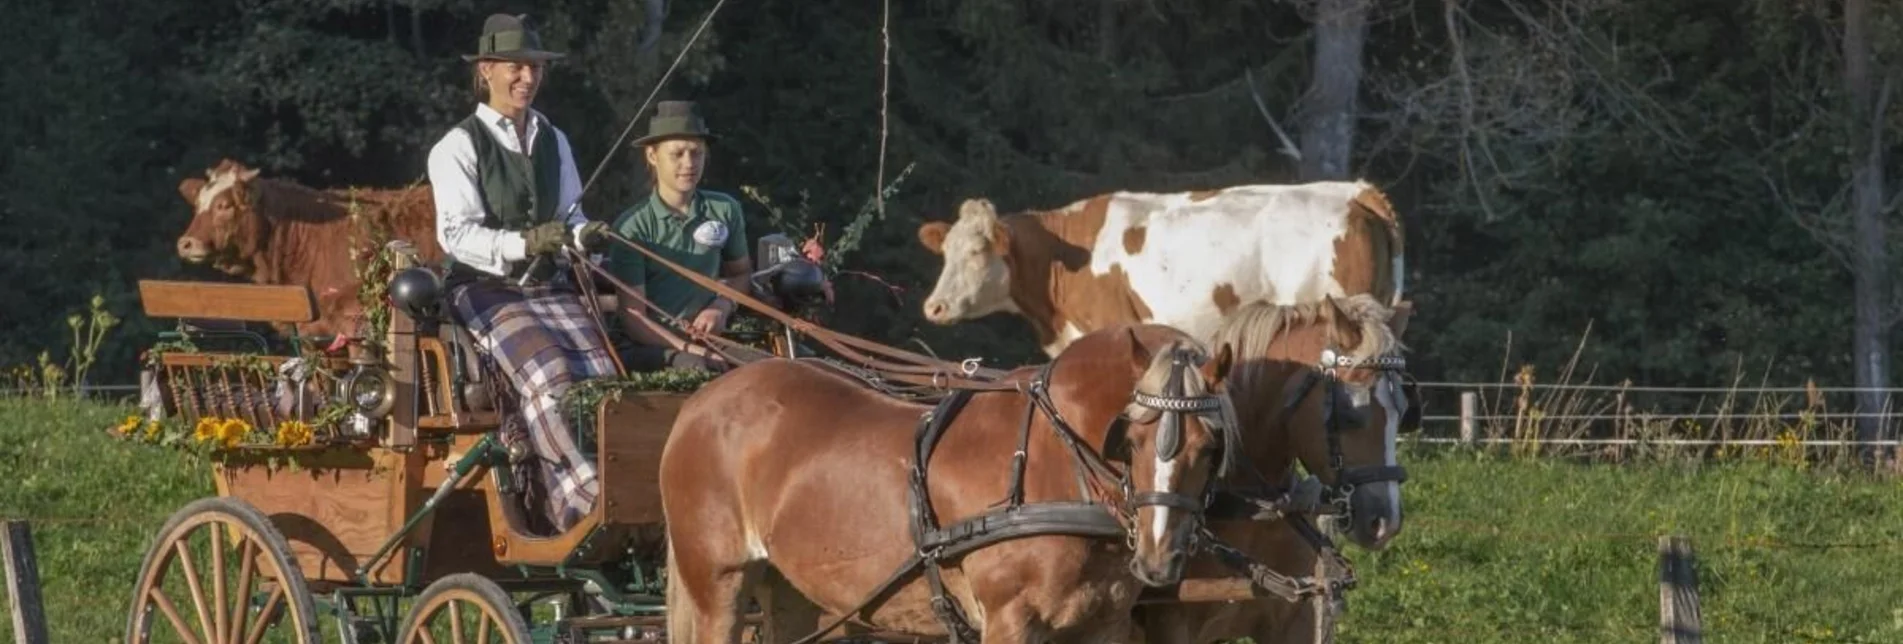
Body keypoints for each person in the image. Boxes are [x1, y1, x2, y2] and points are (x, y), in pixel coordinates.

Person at [425, 13, 615, 533]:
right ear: (486, 70)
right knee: (549, 374)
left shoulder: (554, 138)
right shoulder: (457, 146)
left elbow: (570, 217)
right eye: (515, 67)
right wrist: (524, 243)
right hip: (483, 289)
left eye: (534, 69)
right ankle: (577, 500)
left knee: (603, 377)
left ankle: (619, 489)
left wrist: (584, 236)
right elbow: (456, 236)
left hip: (548, 285)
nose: (527, 79)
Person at [607, 101, 756, 372]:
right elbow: (635, 320)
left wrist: (721, 307)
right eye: (677, 154)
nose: (689, 164)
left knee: (770, 371)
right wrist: (691, 350)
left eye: (696, 153)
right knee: (699, 369)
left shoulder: (725, 209)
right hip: (648, 346)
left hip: (710, 340)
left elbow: (741, 274)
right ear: (652, 156)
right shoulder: (632, 227)